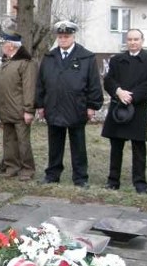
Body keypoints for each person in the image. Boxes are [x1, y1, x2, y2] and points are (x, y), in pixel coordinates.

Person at [35, 20, 103, 187]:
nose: (63, 39)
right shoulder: (50, 57)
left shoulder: (86, 57)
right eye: (60, 36)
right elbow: (41, 83)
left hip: (77, 107)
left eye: (66, 36)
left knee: (78, 145)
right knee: (54, 144)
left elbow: (93, 83)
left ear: (73, 36)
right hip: (54, 106)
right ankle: (52, 175)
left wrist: (92, 106)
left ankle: (80, 178)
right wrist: (40, 105)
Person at [101, 29, 147, 194]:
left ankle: (140, 183)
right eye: (130, 39)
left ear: (142, 40)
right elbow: (108, 80)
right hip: (118, 107)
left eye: (136, 39)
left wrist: (132, 96)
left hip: (137, 107)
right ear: (126, 41)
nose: (133, 42)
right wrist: (119, 91)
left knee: (138, 147)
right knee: (116, 146)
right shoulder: (117, 60)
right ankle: (113, 181)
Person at [0, 30, 38, 181]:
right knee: (8, 141)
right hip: (6, 110)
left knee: (23, 141)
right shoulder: (6, 63)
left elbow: (29, 88)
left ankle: (27, 169)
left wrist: (28, 109)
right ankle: (11, 166)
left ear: (11, 46)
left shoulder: (26, 63)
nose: (2, 46)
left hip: (20, 110)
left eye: (4, 44)